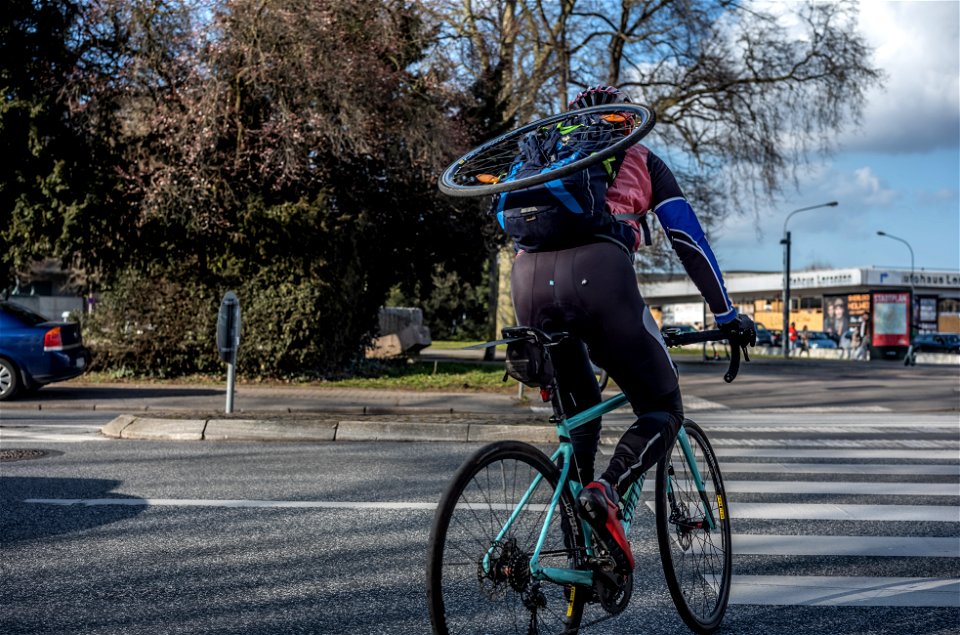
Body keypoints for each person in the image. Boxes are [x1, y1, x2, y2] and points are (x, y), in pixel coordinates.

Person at [508, 85, 755, 574]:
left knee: (578, 420)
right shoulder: (640, 155)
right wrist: (725, 315)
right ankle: (609, 491)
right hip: (599, 278)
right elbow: (687, 238)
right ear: (624, 121)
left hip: (528, 283)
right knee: (662, 406)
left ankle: (581, 555)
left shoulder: (542, 157)